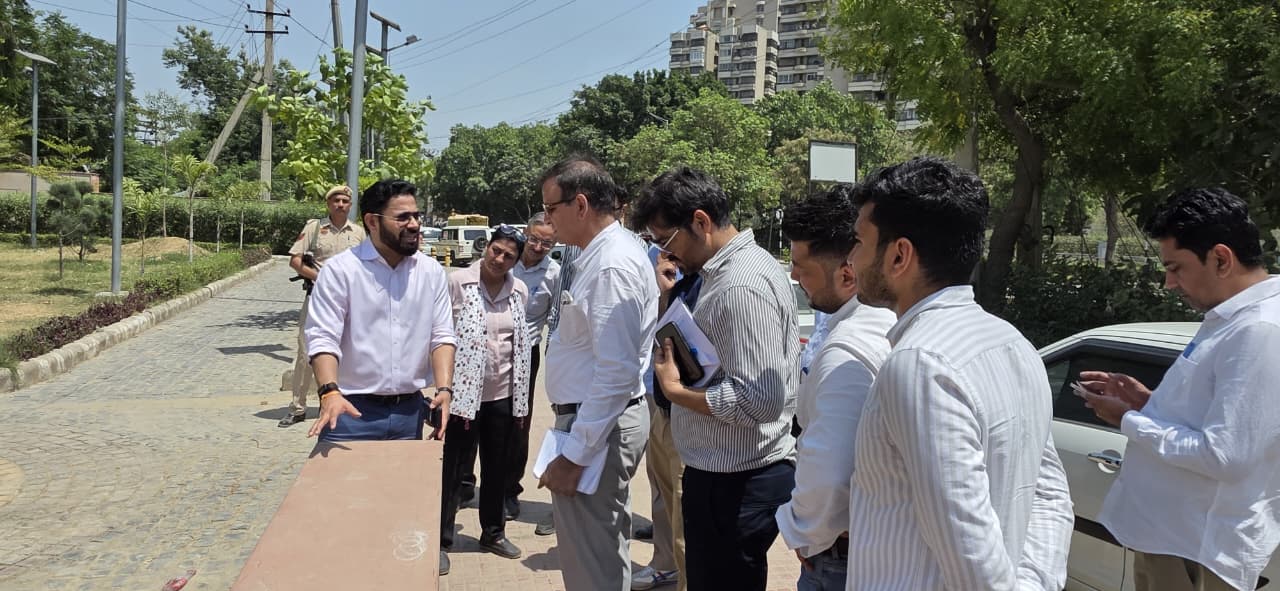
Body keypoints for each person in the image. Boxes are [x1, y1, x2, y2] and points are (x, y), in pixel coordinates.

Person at [843, 157, 1073, 590]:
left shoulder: (920, 363)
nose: (851, 258)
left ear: (899, 255)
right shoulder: (1012, 343)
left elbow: (972, 560)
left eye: (858, 242)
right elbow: (1050, 498)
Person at [1079, 187, 1280, 591]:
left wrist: (1129, 419)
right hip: (1175, 539)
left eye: (1176, 268)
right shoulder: (1230, 318)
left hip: (1194, 549)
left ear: (1221, 258)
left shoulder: (1258, 330)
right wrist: (1149, 402)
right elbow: (1221, 420)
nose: (1169, 283)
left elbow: (1225, 456)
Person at [633, 167, 799, 591]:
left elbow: (759, 399)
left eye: (667, 240)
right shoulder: (731, 270)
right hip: (726, 473)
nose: (665, 254)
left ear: (701, 221)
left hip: (735, 481)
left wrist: (675, 391)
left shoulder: (739, 287)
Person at [302, 178, 456, 574]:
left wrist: (444, 388)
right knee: (340, 515)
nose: (414, 224)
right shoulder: (341, 272)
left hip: (408, 415)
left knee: (398, 512)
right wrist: (329, 392)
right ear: (372, 221)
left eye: (416, 216)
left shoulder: (431, 273)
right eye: (402, 217)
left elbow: (442, 335)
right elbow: (322, 338)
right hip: (349, 415)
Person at [537, 155, 657, 591]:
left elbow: (616, 373)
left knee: (592, 566)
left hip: (597, 427)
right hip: (597, 422)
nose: (546, 220)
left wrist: (575, 455)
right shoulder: (604, 254)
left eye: (551, 208)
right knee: (602, 554)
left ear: (581, 204)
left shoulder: (611, 265)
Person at [774, 186, 895, 591]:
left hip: (839, 556)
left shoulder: (847, 350)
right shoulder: (886, 324)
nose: (794, 277)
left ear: (846, 274)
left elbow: (830, 472)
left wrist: (802, 532)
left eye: (800, 266)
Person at [440, 225, 532, 561]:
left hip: (503, 394)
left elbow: (517, 341)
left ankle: (493, 533)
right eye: (496, 250)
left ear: (516, 262)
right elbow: (441, 335)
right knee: (453, 469)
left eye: (509, 256)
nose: (500, 259)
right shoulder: (457, 283)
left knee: (497, 468)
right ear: (486, 247)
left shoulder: (519, 290)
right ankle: (442, 540)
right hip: (463, 396)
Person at [278, 185, 366, 427]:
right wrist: (319, 277)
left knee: (346, 350)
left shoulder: (359, 233)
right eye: (336, 200)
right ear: (328, 204)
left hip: (348, 300)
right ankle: (297, 407)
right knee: (306, 351)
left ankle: (334, 402)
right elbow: (295, 261)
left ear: (350, 205)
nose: (340, 204)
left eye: (345, 201)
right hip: (318, 298)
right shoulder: (315, 228)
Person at [632, 246, 692, 591]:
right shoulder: (650, 254)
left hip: (688, 402)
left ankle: (681, 571)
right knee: (660, 485)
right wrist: (662, 295)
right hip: (654, 391)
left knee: (684, 502)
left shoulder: (702, 264)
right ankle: (665, 563)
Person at [504, 212, 561, 520]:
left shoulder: (554, 273)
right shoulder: (504, 258)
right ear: (525, 234)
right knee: (475, 418)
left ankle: (509, 490)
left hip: (526, 354)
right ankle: (465, 484)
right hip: (488, 350)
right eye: (534, 239)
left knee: (518, 423)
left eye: (547, 243)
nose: (538, 247)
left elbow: (555, 319)